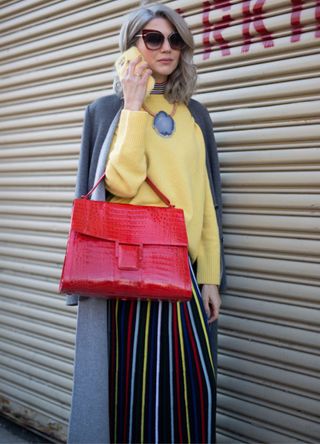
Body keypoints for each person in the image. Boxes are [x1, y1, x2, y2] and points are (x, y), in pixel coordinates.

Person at [66, 4, 226, 444]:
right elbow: (119, 180)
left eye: (175, 39)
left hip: (184, 276)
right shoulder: (106, 111)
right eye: (153, 38)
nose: (166, 48)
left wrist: (210, 276)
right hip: (128, 275)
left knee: (191, 391)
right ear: (131, 44)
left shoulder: (194, 115)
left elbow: (206, 201)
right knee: (131, 395)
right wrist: (134, 107)